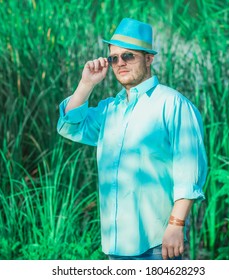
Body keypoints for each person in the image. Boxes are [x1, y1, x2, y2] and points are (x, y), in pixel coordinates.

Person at [57, 18, 208, 260]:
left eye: (128, 56)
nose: (120, 63)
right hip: (114, 242)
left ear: (149, 58)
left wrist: (177, 225)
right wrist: (86, 84)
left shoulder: (172, 104)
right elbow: (70, 127)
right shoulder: (110, 109)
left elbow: (189, 171)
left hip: (157, 244)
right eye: (113, 58)